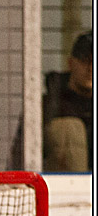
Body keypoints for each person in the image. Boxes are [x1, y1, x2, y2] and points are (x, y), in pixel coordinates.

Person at [9, 30, 92, 172]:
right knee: (67, 128)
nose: (91, 68)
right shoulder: (46, 106)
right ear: (71, 63)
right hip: (56, 189)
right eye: (85, 61)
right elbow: (20, 159)